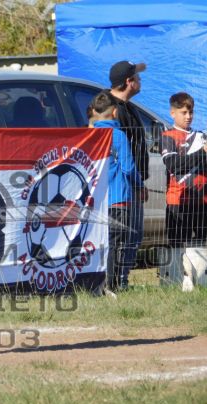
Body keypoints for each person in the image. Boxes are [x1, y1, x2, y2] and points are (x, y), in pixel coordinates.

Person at [91, 91, 143, 292]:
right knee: (116, 243)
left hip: (96, 200)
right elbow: (128, 168)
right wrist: (140, 185)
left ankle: (96, 282)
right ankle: (112, 284)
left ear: (94, 112)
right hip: (118, 198)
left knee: (99, 242)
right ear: (114, 112)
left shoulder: (89, 136)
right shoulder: (118, 136)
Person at [108, 60, 148, 286]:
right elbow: (119, 152)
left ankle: (122, 279)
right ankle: (116, 280)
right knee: (121, 235)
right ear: (128, 81)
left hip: (134, 181)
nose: (140, 80)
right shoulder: (111, 109)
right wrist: (136, 182)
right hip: (121, 184)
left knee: (134, 234)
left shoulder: (130, 107)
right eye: (137, 77)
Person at [160, 92, 207, 264]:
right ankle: (177, 276)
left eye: (191, 112)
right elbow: (173, 164)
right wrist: (200, 154)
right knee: (178, 249)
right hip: (178, 201)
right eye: (183, 112)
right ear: (172, 113)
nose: (188, 116)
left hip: (204, 201)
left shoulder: (201, 136)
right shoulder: (167, 136)